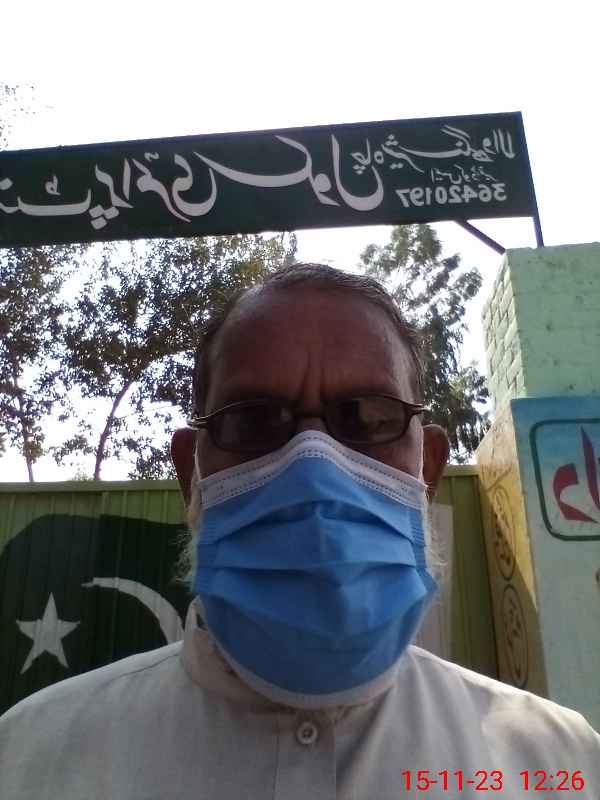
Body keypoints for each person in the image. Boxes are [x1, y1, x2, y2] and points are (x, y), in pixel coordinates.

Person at [1, 262, 598, 799]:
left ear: (429, 471)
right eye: (253, 420)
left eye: (368, 417)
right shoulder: (29, 755)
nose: (314, 465)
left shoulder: (558, 762)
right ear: (192, 475)